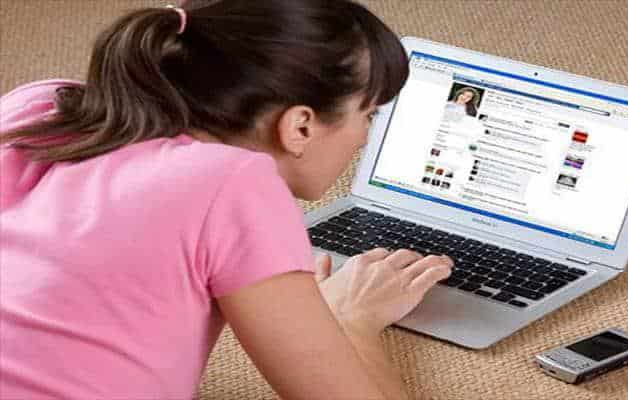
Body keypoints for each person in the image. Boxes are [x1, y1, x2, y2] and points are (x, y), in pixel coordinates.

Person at [0, 1, 454, 399]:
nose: (364, 137)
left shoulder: (37, 107)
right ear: (300, 126)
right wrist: (350, 320)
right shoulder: (234, 182)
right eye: (368, 114)